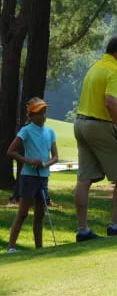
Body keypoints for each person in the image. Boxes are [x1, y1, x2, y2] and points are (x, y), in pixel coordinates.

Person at [74, 34, 117, 242]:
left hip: (81, 124)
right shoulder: (115, 71)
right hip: (100, 125)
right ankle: (115, 226)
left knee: (84, 179)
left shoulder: (96, 67)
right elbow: (111, 102)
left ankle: (82, 230)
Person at [6, 98, 58, 253]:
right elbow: (11, 151)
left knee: (40, 215)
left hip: (43, 177)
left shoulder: (50, 131)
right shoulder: (26, 130)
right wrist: (28, 161)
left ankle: (39, 248)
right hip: (29, 177)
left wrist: (44, 164)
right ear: (31, 115)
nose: (43, 116)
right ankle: (11, 247)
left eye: (44, 112)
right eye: (39, 113)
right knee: (22, 213)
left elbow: (55, 156)